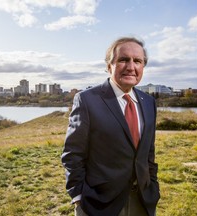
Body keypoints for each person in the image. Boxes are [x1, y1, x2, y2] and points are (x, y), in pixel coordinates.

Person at [61, 36, 160, 216]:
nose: (131, 66)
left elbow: (148, 153)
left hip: (143, 201)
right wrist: (78, 197)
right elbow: (73, 154)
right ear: (109, 66)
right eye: (123, 60)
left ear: (143, 67)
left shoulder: (149, 102)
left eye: (137, 61)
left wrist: (153, 185)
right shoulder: (87, 100)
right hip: (99, 204)